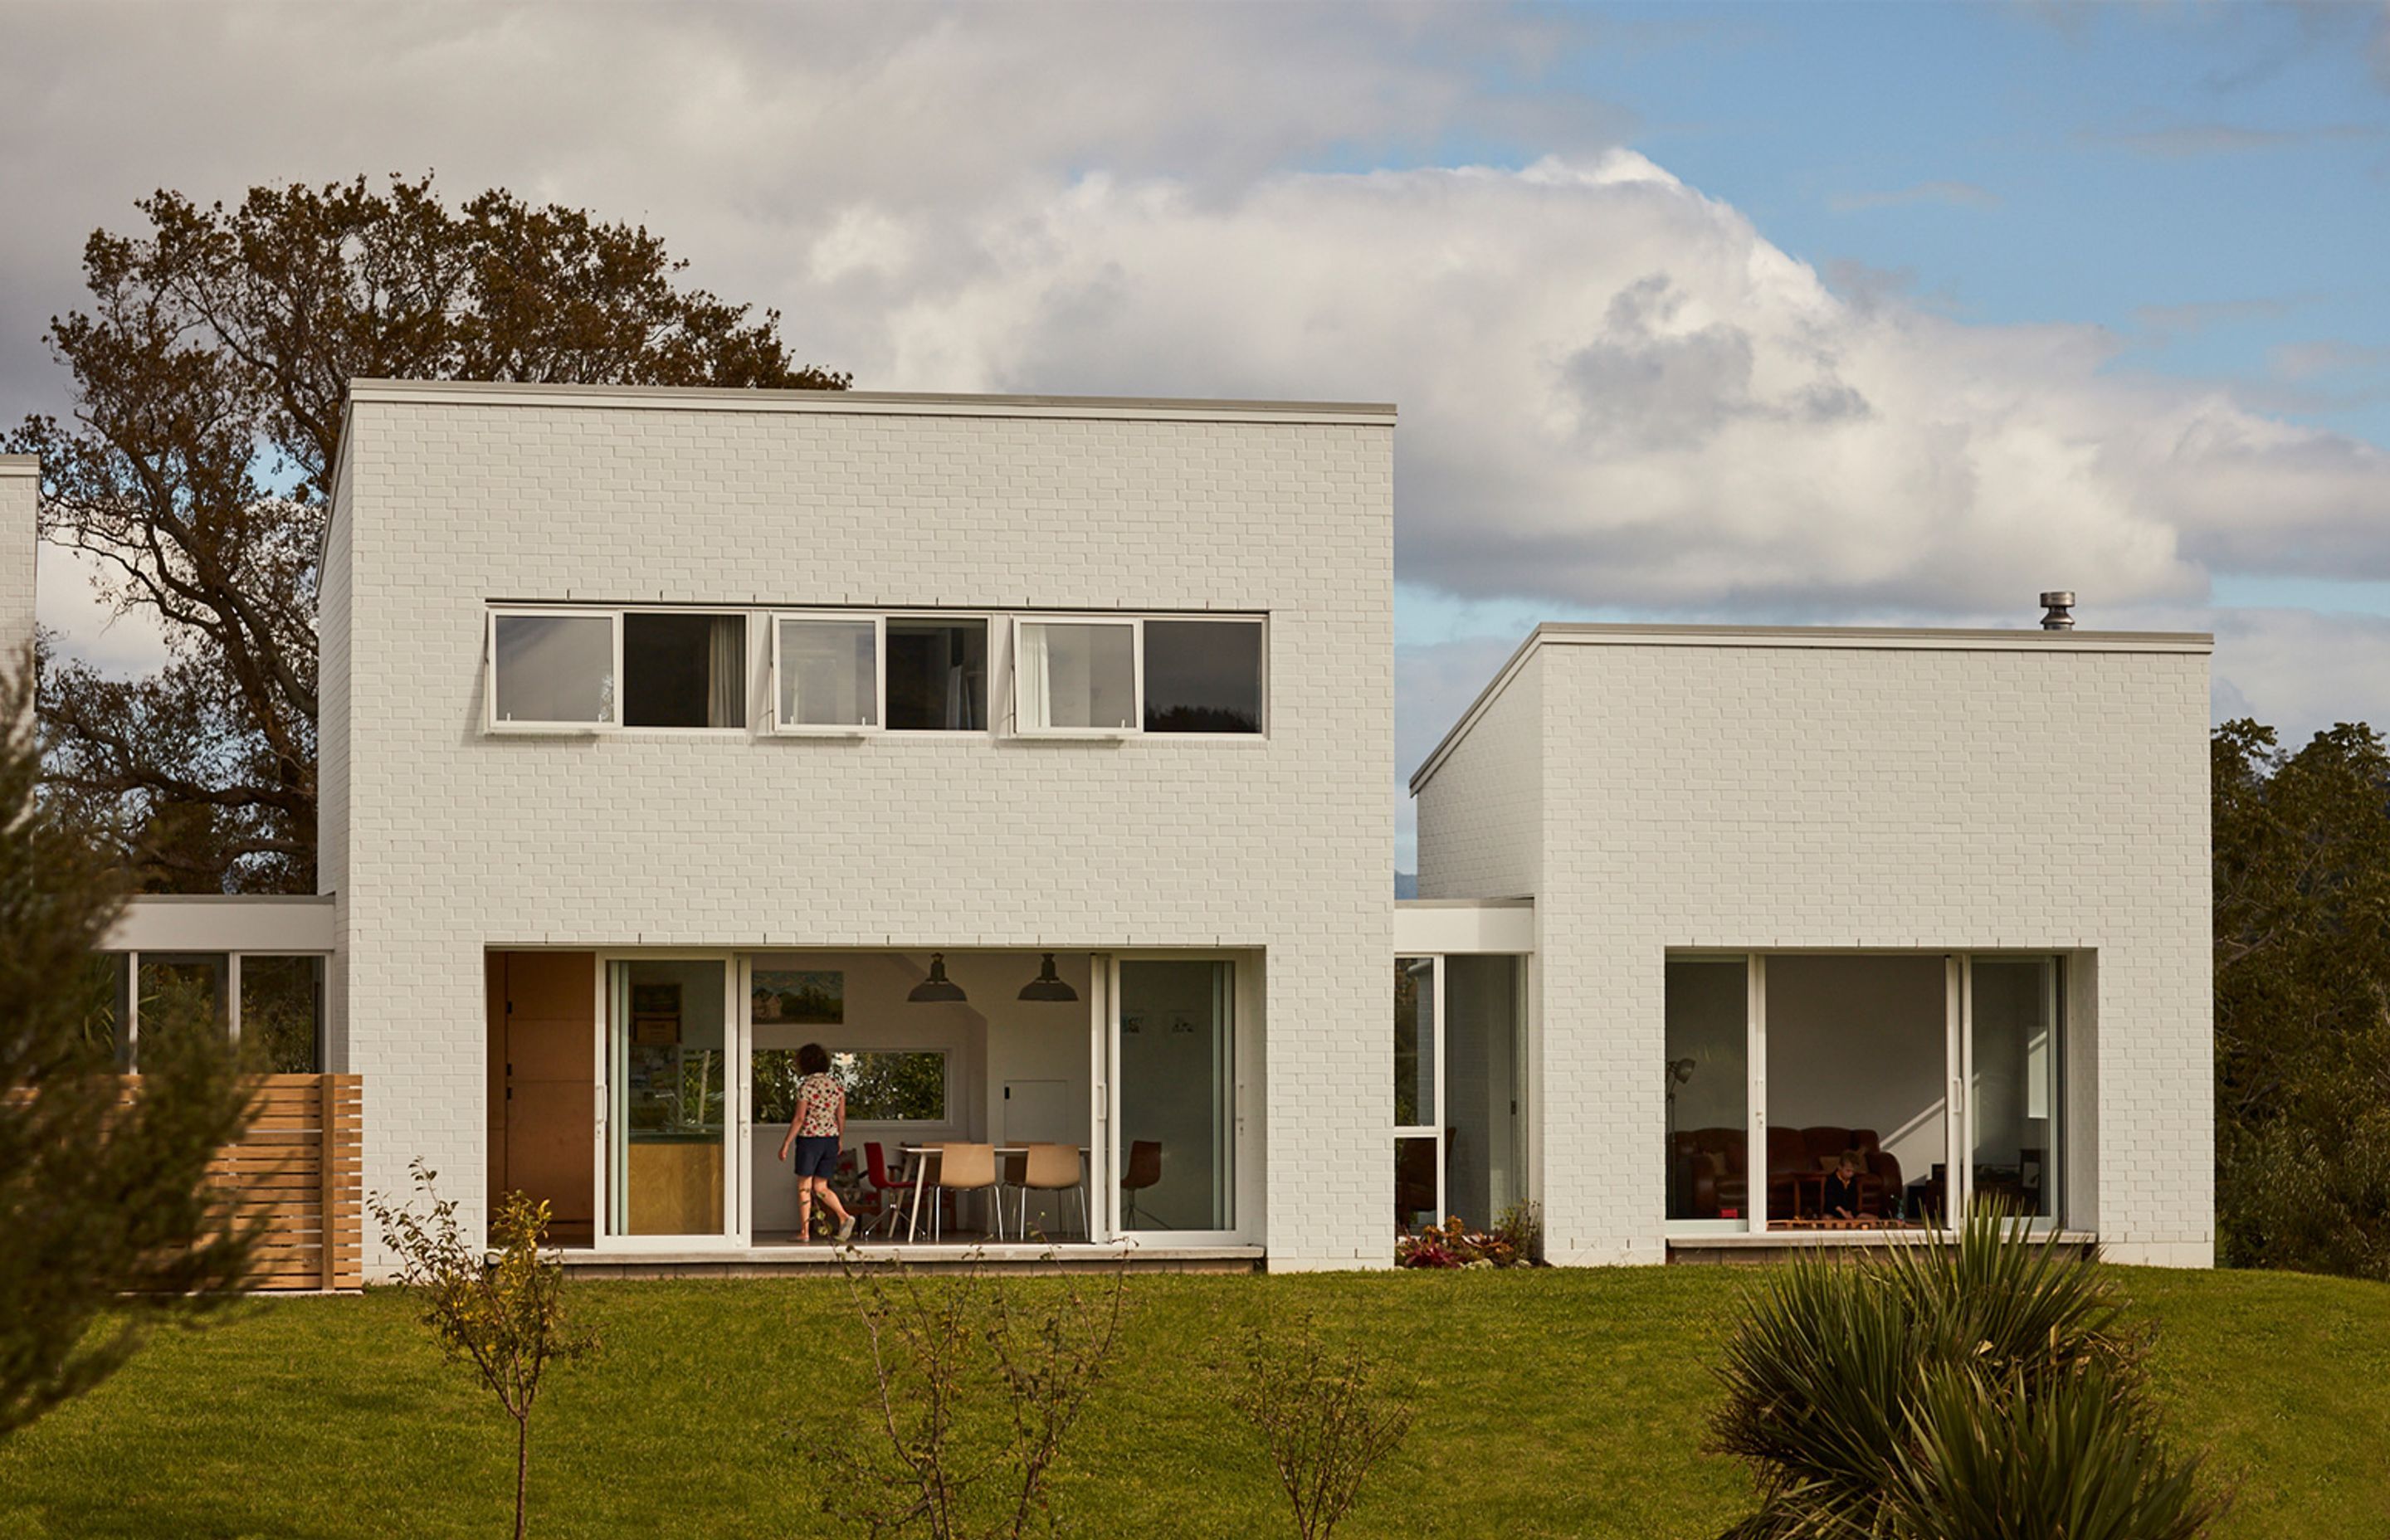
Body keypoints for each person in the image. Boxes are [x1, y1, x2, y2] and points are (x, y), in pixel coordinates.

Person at [776, 1043, 856, 1244]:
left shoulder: (807, 1086)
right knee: (821, 1186)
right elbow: (842, 1115)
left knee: (804, 1185)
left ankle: (804, 1232)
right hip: (830, 1139)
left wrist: (786, 1143)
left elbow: (800, 1119)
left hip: (810, 1139)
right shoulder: (836, 1085)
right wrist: (839, 1138)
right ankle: (843, 1215)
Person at [1821, 1149, 1867, 1221]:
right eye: (1848, 1171)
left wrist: (1850, 1212)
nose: (1850, 1174)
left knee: (1871, 1218)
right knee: (1827, 1218)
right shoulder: (1832, 1180)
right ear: (1840, 1167)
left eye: (1853, 1172)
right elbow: (1831, 1201)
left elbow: (1854, 1199)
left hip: (1849, 1212)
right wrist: (1843, 1212)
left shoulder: (1853, 1181)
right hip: (1835, 1212)